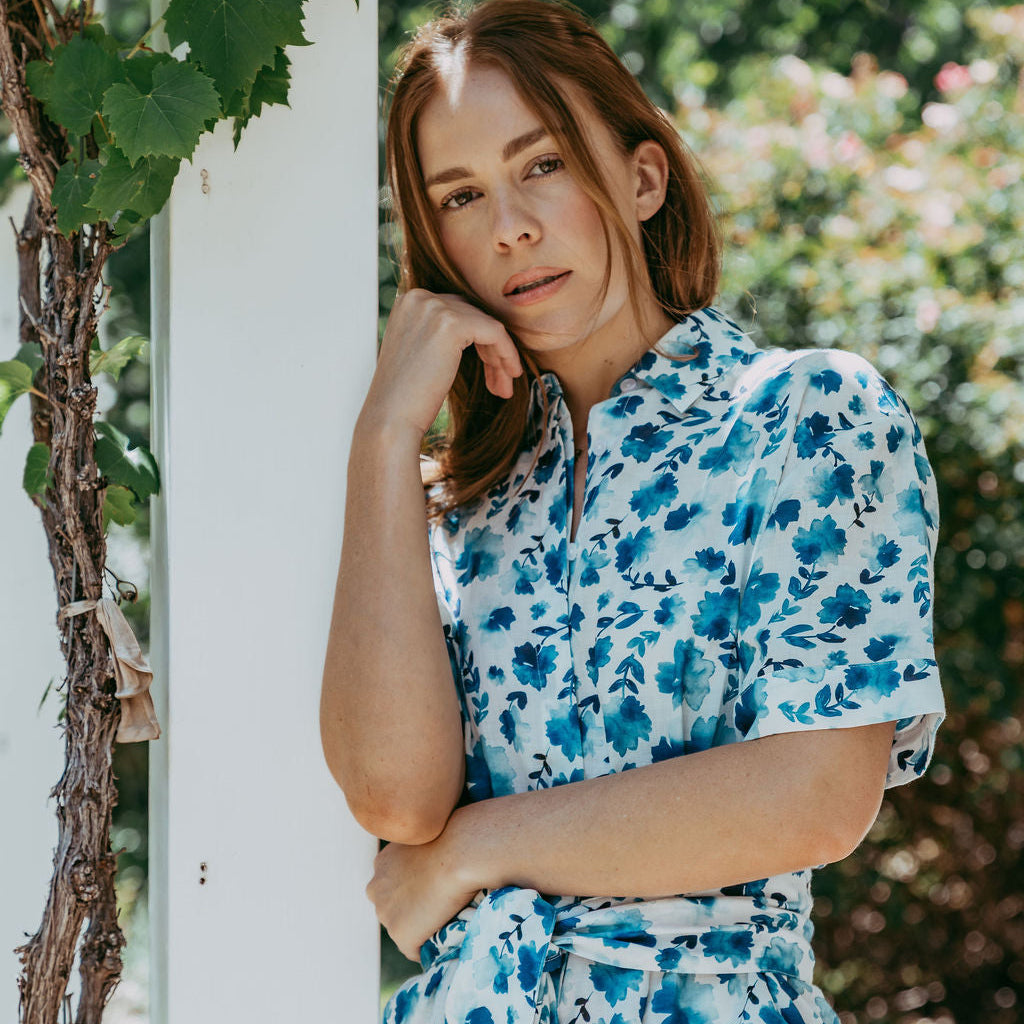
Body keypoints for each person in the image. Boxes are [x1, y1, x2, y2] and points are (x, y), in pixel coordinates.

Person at [319, 1, 946, 1021]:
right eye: (462, 196)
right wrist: (386, 438)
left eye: (543, 164)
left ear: (641, 178)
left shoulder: (805, 417)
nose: (511, 224)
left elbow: (817, 792)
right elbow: (395, 801)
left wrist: (481, 847)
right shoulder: (450, 502)